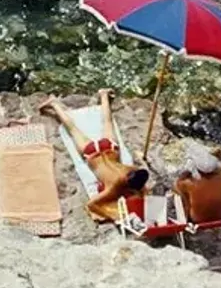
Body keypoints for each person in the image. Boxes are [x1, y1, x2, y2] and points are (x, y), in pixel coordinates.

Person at [38, 89, 150, 223]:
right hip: (91, 154)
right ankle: (55, 105)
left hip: (108, 148)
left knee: (105, 123)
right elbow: (91, 204)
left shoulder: (131, 170)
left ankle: (103, 95)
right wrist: (116, 216)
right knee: (73, 129)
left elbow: (141, 184)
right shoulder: (114, 186)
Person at [173, 144, 221, 226]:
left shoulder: (188, 183)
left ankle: (186, 220)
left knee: (180, 196)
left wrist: (185, 174)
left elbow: (176, 186)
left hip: (198, 219)